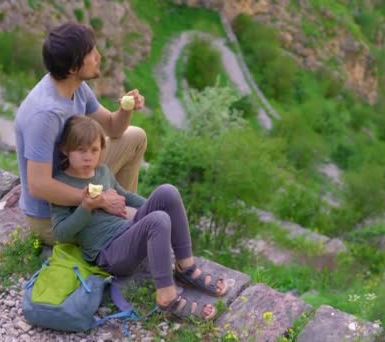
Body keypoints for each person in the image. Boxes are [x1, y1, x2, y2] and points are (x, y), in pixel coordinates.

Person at [51, 116, 229, 321]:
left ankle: (185, 267)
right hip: (108, 253)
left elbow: (124, 196)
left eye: (94, 150)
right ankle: (167, 298)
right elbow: (61, 232)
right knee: (158, 220)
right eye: (80, 150)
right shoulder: (61, 184)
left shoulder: (101, 171)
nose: (88, 157)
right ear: (65, 150)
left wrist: (154, 207)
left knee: (167, 193)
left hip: (127, 232)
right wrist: (85, 207)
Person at [14, 22, 147, 245]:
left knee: (135, 137)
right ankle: (118, 227)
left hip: (79, 173)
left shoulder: (75, 87)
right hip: (53, 214)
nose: (99, 56)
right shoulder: (45, 114)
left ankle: (120, 209)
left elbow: (113, 127)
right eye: (91, 52)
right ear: (73, 68)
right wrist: (99, 199)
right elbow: (38, 185)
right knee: (138, 230)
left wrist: (126, 109)